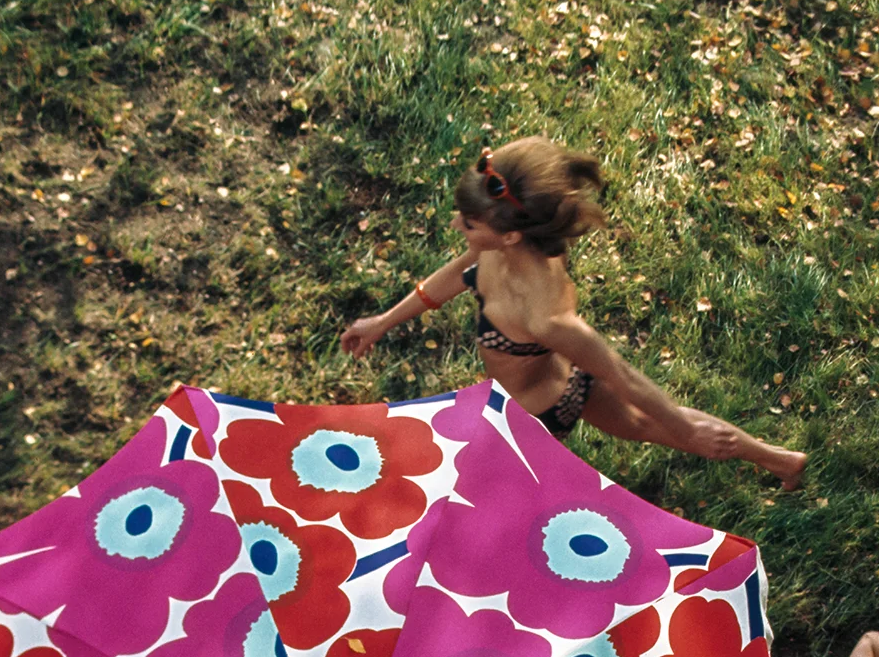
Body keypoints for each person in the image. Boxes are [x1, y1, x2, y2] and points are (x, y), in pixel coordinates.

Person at [339, 134, 807, 487]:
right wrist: (382, 323)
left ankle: (743, 448)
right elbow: (452, 277)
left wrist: (687, 429)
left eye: (469, 222)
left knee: (477, 491)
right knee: (641, 425)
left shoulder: (544, 316)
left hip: (535, 415)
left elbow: (620, 374)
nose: (456, 224)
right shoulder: (496, 249)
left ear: (510, 235)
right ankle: (781, 460)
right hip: (558, 379)